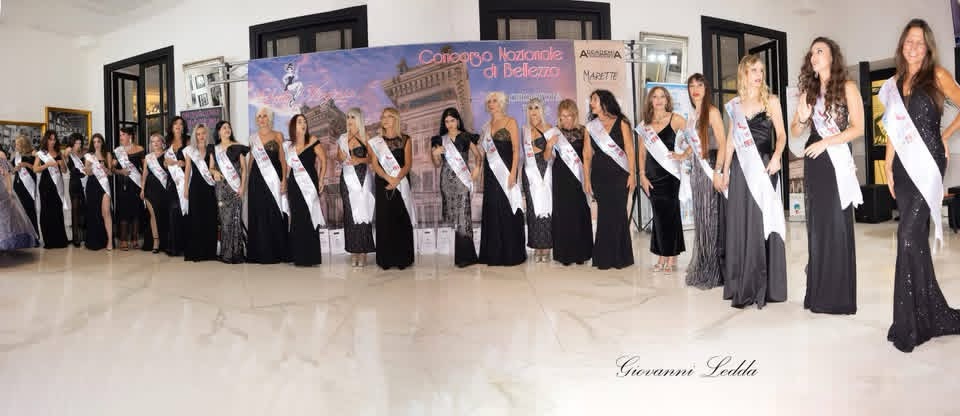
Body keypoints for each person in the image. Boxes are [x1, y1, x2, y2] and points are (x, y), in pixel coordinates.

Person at [882, 19, 960, 352]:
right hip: (902, 166)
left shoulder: (937, 75)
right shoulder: (894, 83)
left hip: (928, 163)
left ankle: (908, 324)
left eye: (919, 42)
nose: (913, 47)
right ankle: (929, 314)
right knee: (915, 241)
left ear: (927, 47)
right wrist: (887, 164)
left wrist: (945, 136)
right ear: (902, 45)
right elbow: (892, 128)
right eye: (908, 41)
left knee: (906, 235)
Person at [789, 37, 864, 314]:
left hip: (835, 158)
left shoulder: (847, 87)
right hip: (815, 162)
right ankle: (818, 293)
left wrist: (826, 142)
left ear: (833, 57)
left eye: (820, 51)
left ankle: (838, 296)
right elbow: (795, 131)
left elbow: (858, 128)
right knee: (818, 226)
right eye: (812, 53)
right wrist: (801, 116)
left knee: (836, 223)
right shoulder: (808, 92)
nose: (814, 56)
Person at [720, 54, 788, 309]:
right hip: (740, 169)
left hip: (765, 166)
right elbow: (730, 141)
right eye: (753, 70)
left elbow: (781, 135)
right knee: (742, 223)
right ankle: (741, 282)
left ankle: (762, 285)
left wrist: (778, 156)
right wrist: (725, 171)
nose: (759, 75)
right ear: (744, 74)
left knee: (761, 223)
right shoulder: (735, 106)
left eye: (761, 70)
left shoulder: (772, 101)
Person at [636, 86, 689, 272]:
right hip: (652, 176)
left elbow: (696, 138)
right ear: (650, 100)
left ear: (667, 100)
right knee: (658, 216)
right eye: (655, 97)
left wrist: (683, 155)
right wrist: (642, 175)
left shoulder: (676, 119)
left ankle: (669, 257)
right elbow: (641, 153)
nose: (658, 100)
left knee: (670, 214)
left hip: (670, 175)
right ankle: (663, 255)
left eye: (662, 97)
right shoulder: (645, 125)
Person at [684, 74, 728, 289]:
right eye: (691, 86)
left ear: (706, 88)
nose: (695, 89)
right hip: (696, 171)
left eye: (699, 85)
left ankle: (715, 269)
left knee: (711, 217)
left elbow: (723, 143)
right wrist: (682, 155)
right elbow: (694, 145)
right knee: (701, 218)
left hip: (710, 167)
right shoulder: (693, 115)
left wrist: (718, 171)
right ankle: (704, 264)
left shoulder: (712, 112)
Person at [584, 89, 636, 270]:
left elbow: (630, 150)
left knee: (619, 214)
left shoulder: (622, 122)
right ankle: (603, 257)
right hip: (599, 176)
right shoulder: (591, 126)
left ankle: (621, 257)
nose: (591, 103)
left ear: (605, 102)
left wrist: (632, 174)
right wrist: (586, 179)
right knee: (605, 215)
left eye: (595, 100)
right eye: (591, 100)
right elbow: (587, 155)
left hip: (620, 175)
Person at [477, 91, 527, 266]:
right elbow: (483, 154)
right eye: (489, 101)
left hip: (506, 171)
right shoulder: (485, 127)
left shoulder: (510, 121)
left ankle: (511, 253)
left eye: (495, 101)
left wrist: (513, 173)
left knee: (507, 208)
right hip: (490, 174)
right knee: (492, 209)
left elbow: (516, 150)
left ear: (502, 103)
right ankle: (493, 254)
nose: (492, 104)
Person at [431, 107, 482, 267]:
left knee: (464, 216)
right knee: (455, 218)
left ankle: (467, 257)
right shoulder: (439, 139)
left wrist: (476, 170)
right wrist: (435, 154)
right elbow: (437, 164)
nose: (450, 124)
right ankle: (461, 257)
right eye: (447, 121)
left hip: (463, 180)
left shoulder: (466, 136)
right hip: (447, 181)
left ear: (458, 120)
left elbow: (478, 156)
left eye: (452, 120)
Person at [545, 99, 593, 266]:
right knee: (563, 214)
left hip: (578, 177)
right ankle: (564, 254)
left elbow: (587, 157)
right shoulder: (554, 132)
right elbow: (547, 158)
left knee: (579, 213)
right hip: (561, 178)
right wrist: (549, 146)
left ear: (575, 115)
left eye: (569, 116)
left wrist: (587, 179)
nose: (566, 119)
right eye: (563, 116)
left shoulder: (584, 131)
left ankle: (581, 253)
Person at [368, 107, 416, 270]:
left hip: (401, 181)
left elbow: (408, 164)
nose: (385, 119)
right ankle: (385, 259)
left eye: (389, 116)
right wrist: (388, 178)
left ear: (396, 119)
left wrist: (396, 179)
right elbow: (375, 164)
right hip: (383, 182)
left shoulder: (406, 139)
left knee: (401, 218)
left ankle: (403, 258)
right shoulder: (376, 142)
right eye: (383, 117)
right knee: (385, 219)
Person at [247, 107, 290, 264]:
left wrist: (284, 180)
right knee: (259, 213)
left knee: (274, 212)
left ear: (269, 118)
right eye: (259, 116)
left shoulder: (278, 135)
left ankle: (277, 252)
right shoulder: (252, 138)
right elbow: (251, 160)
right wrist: (247, 181)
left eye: (264, 116)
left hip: (274, 178)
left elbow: (283, 160)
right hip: (256, 180)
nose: (262, 119)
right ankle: (260, 252)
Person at [286, 114, 326, 267]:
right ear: (293, 126)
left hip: (310, 184)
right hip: (294, 186)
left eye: (304, 121)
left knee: (310, 217)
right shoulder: (290, 147)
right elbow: (288, 170)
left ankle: (311, 256)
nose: (303, 124)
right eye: (299, 122)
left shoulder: (313, 140)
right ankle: (298, 256)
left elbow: (323, 160)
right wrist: (285, 184)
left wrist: (321, 179)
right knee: (297, 218)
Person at [337, 108, 376, 267]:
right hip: (347, 179)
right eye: (347, 117)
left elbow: (372, 158)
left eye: (352, 117)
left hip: (362, 178)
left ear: (359, 119)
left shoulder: (366, 136)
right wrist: (341, 157)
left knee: (363, 213)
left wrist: (359, 160)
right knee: (350, 215)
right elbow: (338, 157)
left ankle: (364, 252)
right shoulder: (342, 138)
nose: (349, 120)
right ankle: (354, 251)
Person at [521, 98, 554, 263]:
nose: (533, 111)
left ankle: (546, 246)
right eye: (530, 108)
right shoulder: (524, 130)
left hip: (544, 170)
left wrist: (546, 147)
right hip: (529, 172)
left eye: (536, 108)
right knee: (533, 208)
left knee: (546, 207)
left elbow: (551, 155)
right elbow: (526, 154)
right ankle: (536, 245)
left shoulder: (549, 128)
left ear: (541, 110)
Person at [210, 121, 248, 264]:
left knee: (235, 219)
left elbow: (244, 169)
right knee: (224, 221)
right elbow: (211, 167)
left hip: (235, 187)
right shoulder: (214, 149)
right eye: (224, 128)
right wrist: (214, 172)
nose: (227, 130)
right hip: (221, 188)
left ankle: (236, 253)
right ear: (218, 132)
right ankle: (226, 253)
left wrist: (242, 187)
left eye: (229, 127)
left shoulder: (238, 146)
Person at [183, 124, 218, 261]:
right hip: (195, 187)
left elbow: (212, 168)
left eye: (203, 133)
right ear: (195, 136)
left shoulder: (211, 149)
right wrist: (185, 187)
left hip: (209, 187)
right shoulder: (190, 150)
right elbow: (187, 169)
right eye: (198, 134)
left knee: (209, 217)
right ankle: (196, 251)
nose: (201, 136)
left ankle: (209, 252)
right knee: (196, 217)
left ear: (207, 134)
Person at [33, 131, 69, 248]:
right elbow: (35, 169)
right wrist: (47, 165)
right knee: (46, 212)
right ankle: (48, 241)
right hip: (45, 185)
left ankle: (60, 240)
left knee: (57, 212)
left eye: (54, 139)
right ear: (46, 140)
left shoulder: (59, 152)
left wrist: (61, 164)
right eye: (50, 139)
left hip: (57, 185)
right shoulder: (41, 153)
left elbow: (64, 170)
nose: (52, 141)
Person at [112, 127, 145, 251]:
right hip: (123, 186)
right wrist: (121, 171)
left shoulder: (140, 149)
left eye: (123, 135)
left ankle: (135, 239)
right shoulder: (118, 151)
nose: (121, 137)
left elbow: (145, 168)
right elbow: (112, 169)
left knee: (136, 212)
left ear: (130, 136)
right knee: (124, 212)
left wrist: (144, 185)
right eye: (120, 135)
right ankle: (123, 240)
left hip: (136, 185)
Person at [0, 150, 37, 251]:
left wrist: (9, 190)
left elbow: (7, 174)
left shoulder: (1, 154)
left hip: (2, 190)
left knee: (7, 218)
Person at [140, 133, 171, 254]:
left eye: (158, 141)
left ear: (162, 142)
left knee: (162, 215)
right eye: (153, 141)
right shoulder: (148, 157)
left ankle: (165, 241)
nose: (156, 143)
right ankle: (156, 241)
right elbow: (145, 174)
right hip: (150, 189)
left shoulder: (167, 155)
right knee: (153, 215)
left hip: (163, 189)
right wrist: (142, 189)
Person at [163, 117, 189, 256]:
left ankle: (186, 245)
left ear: (183, 127)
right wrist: (168, 164)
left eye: (181, 124)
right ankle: (174, 246)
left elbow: (193, 161)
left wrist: (183, 164)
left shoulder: (188, 141)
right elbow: (164, 163)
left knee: (184, 211)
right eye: (175, 124)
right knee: (173, 212)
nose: (178, 126)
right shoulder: (168, 142)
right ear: (172, 127)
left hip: (185, 180)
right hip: (172, 182)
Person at [83, 134, 112, 251]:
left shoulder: (107, 154)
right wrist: (88, 169)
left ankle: (110, 241)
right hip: (92, 185)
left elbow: (110, 173)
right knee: (93, 212)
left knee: (106, 213)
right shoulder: (89, 156)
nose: (96, 144)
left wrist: (104, 168)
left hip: (104, 186)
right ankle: (94, 241)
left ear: (102, 143)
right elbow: (88, 173)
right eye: (94, 142)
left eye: (98, 141)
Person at [11, 135, 39, 241]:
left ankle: (34, 237)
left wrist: (26, 164)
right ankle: (23, 237)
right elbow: (12, 170)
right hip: (18, 186)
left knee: (29, 210)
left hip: (28, 186)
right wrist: (15, 169)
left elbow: (36, 169)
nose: (16, 146)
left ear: (23, 145)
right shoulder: (16, 156)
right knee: (20, 212)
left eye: (18, 144)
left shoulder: (33, 154)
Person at [65, 133, 86, 247]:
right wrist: (67, 153)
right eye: (76, 143)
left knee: (84, 209)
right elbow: (64, 163)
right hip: (74, 184)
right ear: (72, 143)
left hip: (85, 183)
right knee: (75, 210)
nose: (78, 145)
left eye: (80, 143)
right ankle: (75, 237)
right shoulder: (68, 153)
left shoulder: (84, 153)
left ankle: (85, 235)